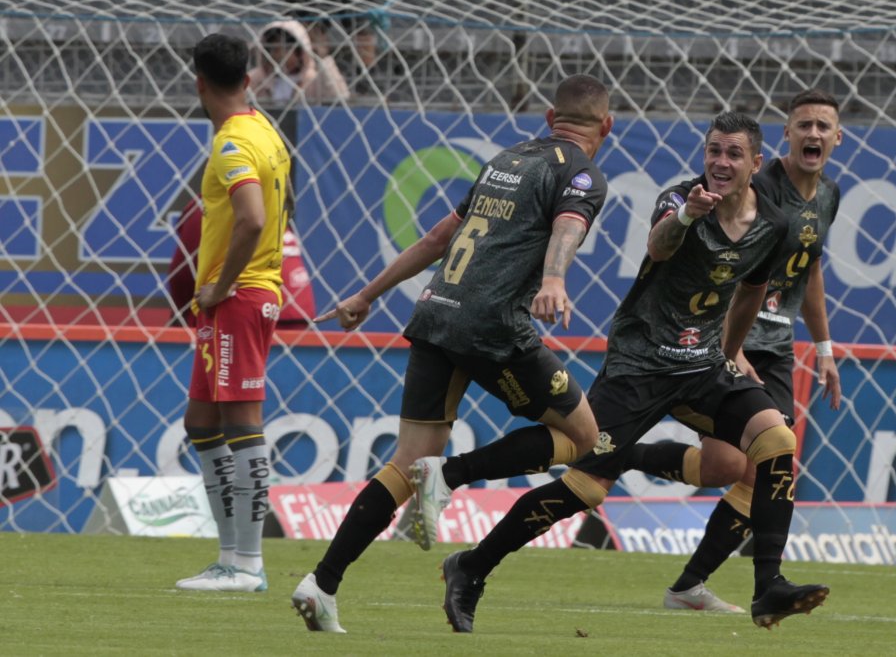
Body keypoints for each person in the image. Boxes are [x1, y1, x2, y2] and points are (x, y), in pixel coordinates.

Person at [415, 112, 829, 634]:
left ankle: (767, 586)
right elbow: (659, 246)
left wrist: (730, 351)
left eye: (733, 154)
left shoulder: (774, 223)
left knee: (776, 442)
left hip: (702, 365)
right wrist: (686, 218)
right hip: (641, 363)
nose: (720, 163)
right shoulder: (681, 199)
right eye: (714, 151)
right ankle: (471, 559)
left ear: (756, 164)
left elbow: (748, 292)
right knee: (582, 483)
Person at [290, 74, 614, 633]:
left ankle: (321, 583)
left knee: (404, 463)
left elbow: (439, 236)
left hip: (436, 310)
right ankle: (452, 474)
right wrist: (555, 279)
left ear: (546, 116)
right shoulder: (580, 172)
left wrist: (367, 295)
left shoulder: (506, 160)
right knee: (584, 437)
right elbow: (568, 225)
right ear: (606, 126)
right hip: (492, 326)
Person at [625, 88, 845, 613]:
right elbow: (721, 267)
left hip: (777, 346)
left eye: (822, 126)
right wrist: (730, 347)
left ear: (837, 137)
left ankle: (687, 586)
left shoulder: (829, 196)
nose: (813, 134)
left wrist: (825, 345)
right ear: (785, 135)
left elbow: (809, 267)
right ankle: (738, 584)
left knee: (731, 468)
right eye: (803, 125)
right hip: (730, 342)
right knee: (762, 460)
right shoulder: (754, 187)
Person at [174, 33, 292, 592]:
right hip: (244, 294)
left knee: (243, 426)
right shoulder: (264, 130)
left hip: (239, 296)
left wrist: (221, 284)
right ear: (248, 79)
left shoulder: (231, 145)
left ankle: (247, 564)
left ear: (198, 83)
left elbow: (250, 217)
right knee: (200, 422)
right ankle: (229, 558)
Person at [167, 198, 316, 329]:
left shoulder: (208, 205)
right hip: (297, 308)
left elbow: (181, 275)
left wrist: (183, 317)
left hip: (247, 309)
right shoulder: (268, 197)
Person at [247, 20, 350, 104]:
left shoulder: (312, 80)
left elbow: (341, 97)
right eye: (272, 49)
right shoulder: (255, 79)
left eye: (285, 48)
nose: (277, 55)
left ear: (300, 52)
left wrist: (324, 59)